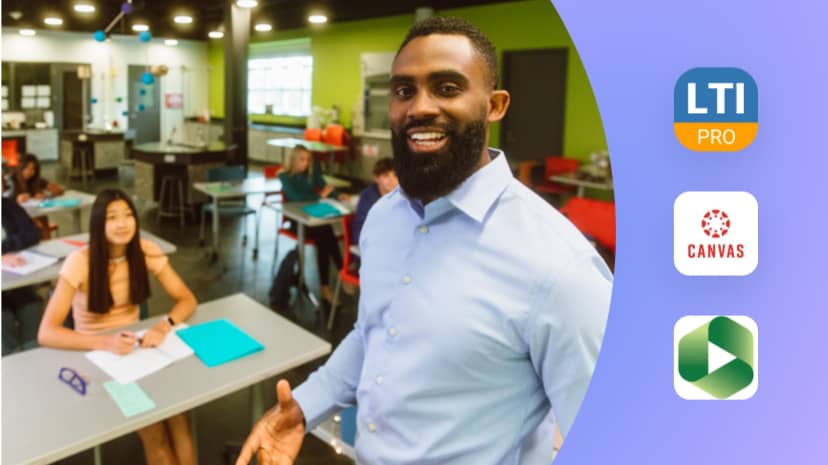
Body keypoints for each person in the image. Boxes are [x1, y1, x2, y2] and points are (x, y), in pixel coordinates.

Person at [237, 17, 611, 465]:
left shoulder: (559, 266)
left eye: (447, 88)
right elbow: (375, 333)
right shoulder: (384, 218)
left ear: (494, 105)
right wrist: (305, 406)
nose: (419, 107)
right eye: (403, 90)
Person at [37, 189, 198, 465]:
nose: (122, 224)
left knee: (179, 418)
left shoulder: (144, 251)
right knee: (155, 432)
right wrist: (106, 342)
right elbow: (46, 332)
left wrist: (163, 326)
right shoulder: (80, 262)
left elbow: (187, 299)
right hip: (98, 356)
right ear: (98, 223)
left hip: (139, 349)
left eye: (128, 215)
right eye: (112, 217)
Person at [278, 145, 351, 303]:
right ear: (294, 160)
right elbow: (296, 197)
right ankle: (340, 274)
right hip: (297, 221)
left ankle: (328, 286)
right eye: (302, 159)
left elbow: (325, 187)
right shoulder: (284, 176)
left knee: (324, 234)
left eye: (308, 159)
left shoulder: (312, 173)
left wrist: (337, 195)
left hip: (314, 217)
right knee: (325, 233)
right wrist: (320, 196)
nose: (306, 163)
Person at [2, 192, 44, 356]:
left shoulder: (7, 205)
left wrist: (5, 247)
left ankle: (33, 356)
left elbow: (32, 233)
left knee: (31, 307)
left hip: (15, 277)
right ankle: (10, 361)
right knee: (3, 319)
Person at [9, 153, 65, 238]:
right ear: (20, 167)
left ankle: (46, 242)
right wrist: (16, 200)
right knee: (38, 224)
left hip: (34, 213)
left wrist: (46, 195)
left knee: (42, 218)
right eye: (26, 168)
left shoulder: (35, 180)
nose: (29, 172)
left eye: (33, 169)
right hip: (16, 218)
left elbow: (60, 189)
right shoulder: (10, 181)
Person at [351, 157, 398, 245]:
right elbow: (358, 231)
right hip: (374, 243)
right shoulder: (368, 197)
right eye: (386, 176)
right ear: (376, 178)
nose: (393, 180)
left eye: (396, 175)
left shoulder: (402, 194)